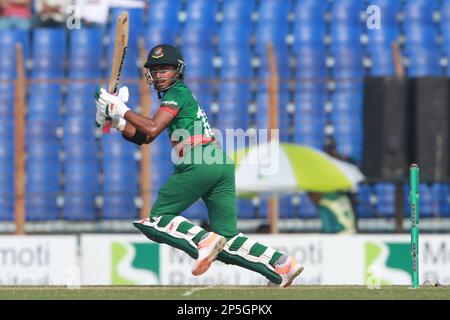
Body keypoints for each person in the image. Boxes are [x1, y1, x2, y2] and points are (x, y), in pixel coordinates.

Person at [94, 44, 303, 287]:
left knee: (156, 220)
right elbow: (144, 137)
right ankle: (281, 265)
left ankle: (203, 241)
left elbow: (150, 127)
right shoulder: (177, 96)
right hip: (218, 162)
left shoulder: (177, 93)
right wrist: (117, 121)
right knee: (226, 239)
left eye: (165, 69)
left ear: (178, 71)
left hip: (198, 159)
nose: (160, 74)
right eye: (155, 70)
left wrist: (122, 109)